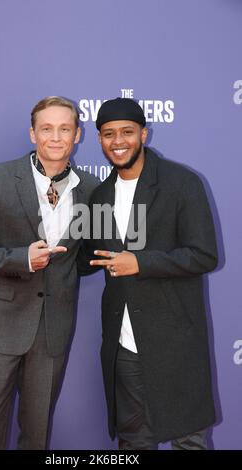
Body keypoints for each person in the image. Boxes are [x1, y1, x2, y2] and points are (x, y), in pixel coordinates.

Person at [0, 96, 99, 450]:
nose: (55, 137)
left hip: (53, 329)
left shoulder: (92, 190)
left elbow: (83, 257)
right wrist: (22, 260)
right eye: (47, 128)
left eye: (65, 129)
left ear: (77, 135)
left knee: (37, 433)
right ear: (33, 134)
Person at [87, 97, 218, 450]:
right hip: (124, 345)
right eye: (108, 133)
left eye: (127, 132)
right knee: (134, 444)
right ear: (99, 139)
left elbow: (204, 255)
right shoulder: (100, 196)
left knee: (189, 442)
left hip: (175, 342)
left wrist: (141, 263)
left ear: (143, 133)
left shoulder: (182, 183)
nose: (118, 141)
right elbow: (91, 257)